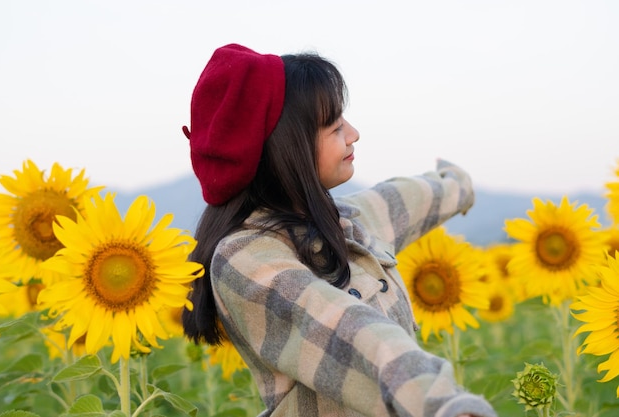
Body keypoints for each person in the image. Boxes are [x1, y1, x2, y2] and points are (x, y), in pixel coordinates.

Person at [181, 43, 497, 417]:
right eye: (334, 126)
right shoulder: (246, 260)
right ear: (288, 149)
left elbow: (410, 198)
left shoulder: (343, 222)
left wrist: (458, 184)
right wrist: (441, 403)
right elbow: (347, 330)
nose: (354, 133)